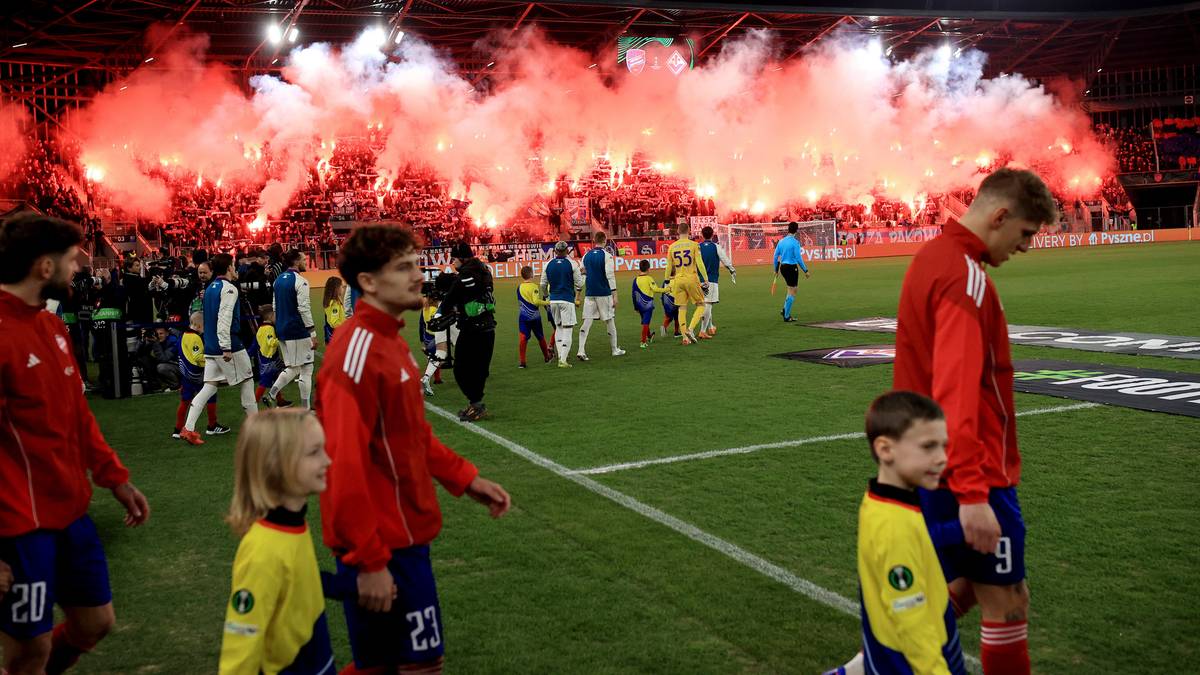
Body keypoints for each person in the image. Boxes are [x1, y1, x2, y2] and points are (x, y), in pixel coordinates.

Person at [316, 224, 511, 674]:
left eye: (416, 264)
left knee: (396, 665)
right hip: (383, 547)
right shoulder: (357, 351)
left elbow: (412, 436)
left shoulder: (390, 342)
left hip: (405, 540)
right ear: (368, 282)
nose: (419, 275)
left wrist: (467, 480)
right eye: (404, 267)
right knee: (411, 667)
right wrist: (369, 561)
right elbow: (342, 464)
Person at [894, 168, 1054, 675]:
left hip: (933, 465)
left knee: (971, 587)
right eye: (1025, 233)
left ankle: (869, 663)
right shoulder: (965, 277)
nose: (1025, 246)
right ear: (999, 215)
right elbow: (955, 393)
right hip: (969, 469)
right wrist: (972, 494)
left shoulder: (933, 257)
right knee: (1007, 601)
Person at [0, 212, 150, 674]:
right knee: (29, 652)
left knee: (94, 623)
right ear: (44, 267)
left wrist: (116, 479)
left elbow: (78, 417)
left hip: (70, 513)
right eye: (70, 259)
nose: (78, 268)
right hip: (19, 527)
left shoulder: (52, 328)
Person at [849, 391, 967, 675]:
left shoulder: (883, 499)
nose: (942, 458)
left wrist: (960, 530)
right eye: (928, 447)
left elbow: (920, 538)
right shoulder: (893, 528)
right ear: (885, 450)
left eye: (944, 446)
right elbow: (911, 619)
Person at [219, 409, 334, 674]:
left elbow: (297, 581)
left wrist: (348, 586)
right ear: (277, 465)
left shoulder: (294, 523)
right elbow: (239, 649)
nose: (327, 460)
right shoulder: (262, 552)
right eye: (314, 452)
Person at [179, 253, 259, 446]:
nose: (235, 269)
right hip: (229, 345)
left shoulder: (210, 288)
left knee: (209, 386)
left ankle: (188, 428)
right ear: (229, 267)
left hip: (210, 345)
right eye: (233, 266)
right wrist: (226, 346)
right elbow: (224, 319)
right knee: (247, 380)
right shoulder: (229, 289)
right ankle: (256, 428)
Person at [437, 242, 496, 422]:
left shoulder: (464, 278)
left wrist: (440, 313)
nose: (452, 262)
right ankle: (476, 404)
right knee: (479, 370)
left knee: (461, 369)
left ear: (462, 258)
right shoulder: (484, 271)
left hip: (472, 329)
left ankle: (476, 404)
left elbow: (449, 299)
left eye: (454, 258)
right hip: (488, 327)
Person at [266, 250, 316, 410]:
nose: (306, 262)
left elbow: (275, 307)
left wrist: (280, 326)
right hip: (297, 330)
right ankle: (305, 408)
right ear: (296, 261)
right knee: (307, 367)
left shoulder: (278, 280)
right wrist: (312, 333)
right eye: (303, 259)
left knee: (293, 367)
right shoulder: (301, 281)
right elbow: (304, 309)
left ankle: (272, 394)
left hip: (282, 329)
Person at [174, 311, 229, 439]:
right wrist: (212, 358)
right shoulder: (195, 338)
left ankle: (177, 429)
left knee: (185, 401)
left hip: (186, 374)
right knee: (211, 394)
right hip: (196, 374)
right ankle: (212, 426)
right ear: (199, 326)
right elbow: (197, 356)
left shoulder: (183, 335)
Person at [576, 231, 625, 361]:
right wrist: (615, 295)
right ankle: (614, 349)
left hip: (590, 293)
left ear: (594, 240)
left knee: (587, 320)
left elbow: (582, 274)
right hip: (604, 293)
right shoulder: (607, 256)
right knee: (609, 320)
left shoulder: (586, 256)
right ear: (605, 241)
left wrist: (578, 293)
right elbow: (610, 275)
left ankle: (581, 350)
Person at [539, 241, 583, 368]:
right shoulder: (572, 264)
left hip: (553, 300)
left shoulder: (548, 264)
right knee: (568, 329)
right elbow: (579, 284)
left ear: (555, 251)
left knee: (558, 328)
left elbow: (542, 284)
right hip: (567, 300)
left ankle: (560, 356)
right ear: (567, 251)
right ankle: (563, 360)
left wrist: (547, 296)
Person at [664, 222, 710, 344]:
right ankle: (690, 329)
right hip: (691, 278)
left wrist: (667, 281)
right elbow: (699, 262)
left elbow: (669, 266)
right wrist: (705, 278)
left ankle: (685, 338)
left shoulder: (672, 247)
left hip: (678, 280)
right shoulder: (694, 245)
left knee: (682, 307)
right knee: (701, 305)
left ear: (678, 232)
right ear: (689, 231)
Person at [419, 275, 457, 397]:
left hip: (439, 321)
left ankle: (426, 377)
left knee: (440, 353)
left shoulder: (437, 296)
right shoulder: (454, 293)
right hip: (451, 321)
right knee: (463, 347)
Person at [698, 227, 736, 337]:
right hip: (711, 280)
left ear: (702, 235)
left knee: (706, 303)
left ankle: (710, 327)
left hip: (697, 280)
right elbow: (725, 260)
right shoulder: (716, 247)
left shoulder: (697, 247)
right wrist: (731, 269)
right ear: (712, 234)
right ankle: (702, 331)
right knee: (708, 304)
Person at [254, 306, 292, 409]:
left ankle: (280, 401)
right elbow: (271, 342)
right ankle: (253, 404)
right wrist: (281, 339)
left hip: (266, 357)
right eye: (275, 315)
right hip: (269, 360)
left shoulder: (260, 328)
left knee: (276, 380)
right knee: (264, 383)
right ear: (271, 316)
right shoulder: (269, 328)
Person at [772, 222, 811, 323]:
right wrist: (805, 270)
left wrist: (776, 269)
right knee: (792, 291)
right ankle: (786, 316)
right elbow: (798, 258)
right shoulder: (795, 242)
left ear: (788, 229)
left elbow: (775, 256)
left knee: (791, 289)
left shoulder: (781, 241)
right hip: (792, 268)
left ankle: (784, 309)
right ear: (796, 230)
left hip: (783, 268)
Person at [516, 265, 552, 368]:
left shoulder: (519, 287)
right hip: (535, 316)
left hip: (523, 317)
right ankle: (546, 357)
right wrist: (548, 302)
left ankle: (522, 362)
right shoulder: (534, 287)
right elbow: (535, 301)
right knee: (540, 336)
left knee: (523, 338)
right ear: (531, 274)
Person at [631, 259, 667, 349]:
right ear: (648, 268)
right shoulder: (649, 278)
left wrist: (635, 307)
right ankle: (643, 342)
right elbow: (655, 289)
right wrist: (667, 289)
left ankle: (649, 336)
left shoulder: (635, 280)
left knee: (644, 321)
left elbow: (633, 294)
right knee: (646, 323)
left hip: (639, 304)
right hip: (647, 304)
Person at [322, 277, 346, 345]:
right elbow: (334, 323)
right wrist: (346, 326)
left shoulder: (330, 301)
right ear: (336, 288)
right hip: (338, 335)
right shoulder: (334, 304)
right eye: (342, 286)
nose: (343, 289)